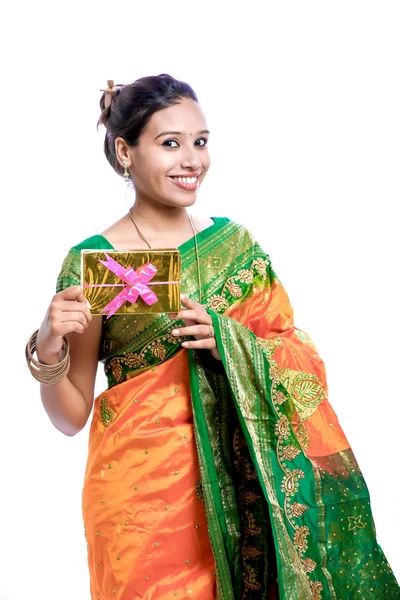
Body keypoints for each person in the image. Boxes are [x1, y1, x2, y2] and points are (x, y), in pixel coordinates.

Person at [26, 74, 399, 600]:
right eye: (169, 144)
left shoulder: (234, 245)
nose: (191, 161)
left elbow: (300, 362)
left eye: (200, 142)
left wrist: (229, 340)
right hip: (140, 501)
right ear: (124, 151)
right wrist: (48, 349)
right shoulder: (96, 262)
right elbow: (69, 416)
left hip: (245, 489)